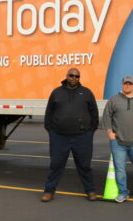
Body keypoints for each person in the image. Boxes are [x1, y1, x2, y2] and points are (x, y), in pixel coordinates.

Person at [41, 68, 99, 202]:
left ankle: (90, 190)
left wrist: (89, 132)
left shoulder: (86, 93)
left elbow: (94, 114)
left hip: (82, 137)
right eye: (71, 75)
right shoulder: (57, 92)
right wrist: (52, 132)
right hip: (59, 137)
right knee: (55, 165)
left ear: (79, 78)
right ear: (66, 76)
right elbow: (49, 113)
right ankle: (49, 191)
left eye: (77, 76)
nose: (74, 78)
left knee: (85, 165)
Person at [101, 75, 133, 203]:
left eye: (130, 83)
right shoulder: (113, 100)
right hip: (118, 142)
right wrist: (110, 134)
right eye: (125, 83)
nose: (127, 85)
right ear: (122, 84)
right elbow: (106, 117)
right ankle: (123, 192)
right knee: (120, 169)